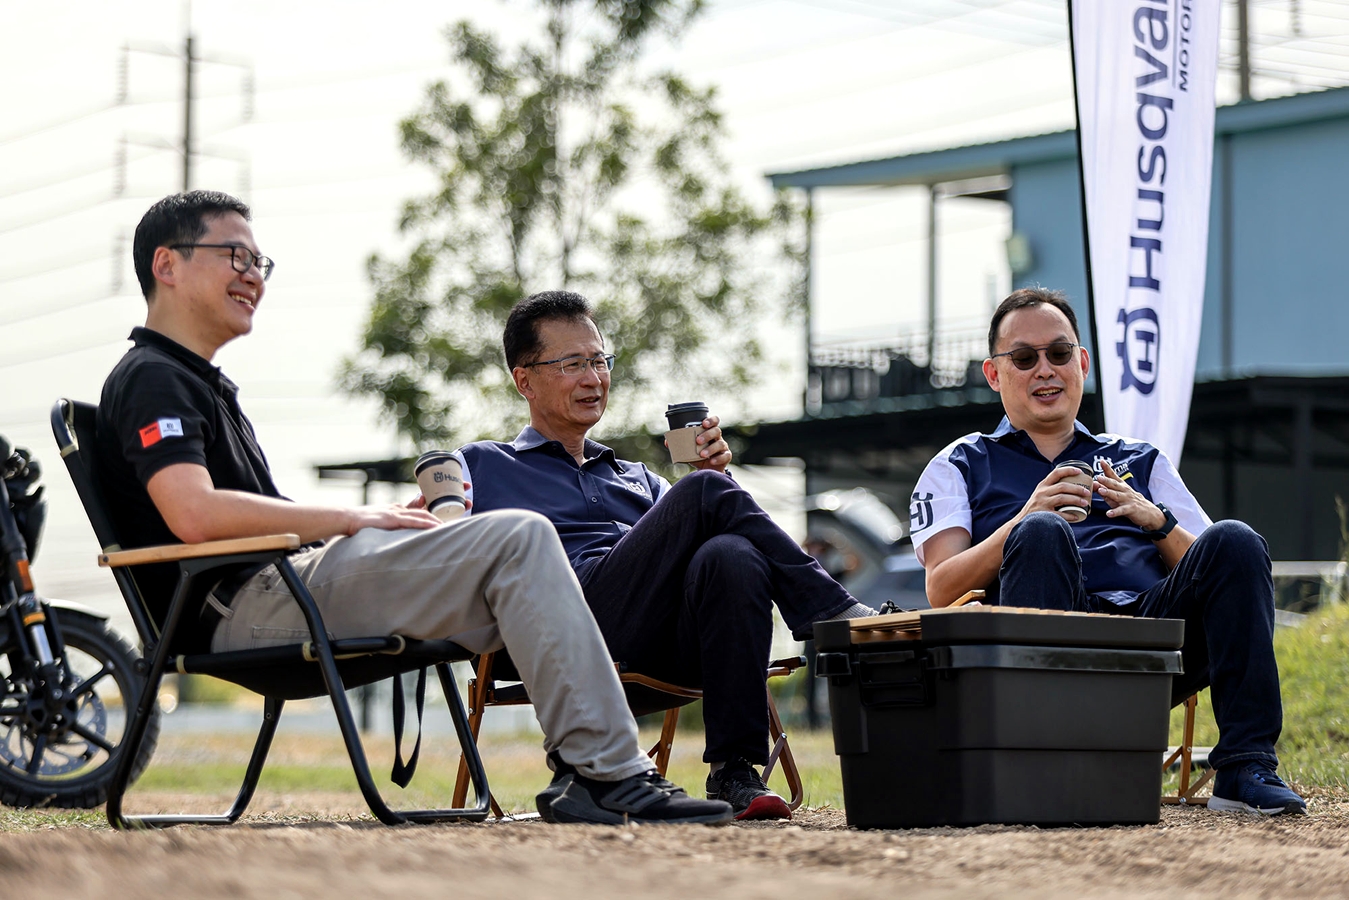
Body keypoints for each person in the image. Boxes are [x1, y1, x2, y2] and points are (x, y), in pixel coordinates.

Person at [95, 191, 733, 827]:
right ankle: (609, 772)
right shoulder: (155, 376)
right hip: (247, 606)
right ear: (167, 264)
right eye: (234, 256)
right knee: (521, 537)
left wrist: (405, 532)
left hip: (284, 585)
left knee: (512, 555)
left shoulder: (199, 383)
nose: (252, 275)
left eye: (259, 262)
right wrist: (353, 520)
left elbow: (237, 516)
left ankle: (588, 770)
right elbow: (195, 514)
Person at [456, 290, 877, 821]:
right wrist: (707, 488)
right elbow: (437, 540)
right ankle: (832, 614)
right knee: (701, 492)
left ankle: (734, 772)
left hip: (659, 640)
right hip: (553, 629)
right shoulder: (482, 465)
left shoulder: (638, 478)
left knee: (731, 552)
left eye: (599, 361)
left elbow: (707, 552)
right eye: (572, 364)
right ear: (525, 381)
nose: (593, 378)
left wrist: (718, 478)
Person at [909, 286, 1305, 816]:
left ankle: (1244, 767)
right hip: (1048, 637)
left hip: (1153, 639)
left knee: (1237, 538)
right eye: (1024, 358)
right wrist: (1022, 519)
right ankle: (1043, 767)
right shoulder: (960, 463)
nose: (1045, 370)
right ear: (994, 374)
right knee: (1042, 532)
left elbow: (1221, 567)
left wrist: (1158, 521)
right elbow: (941, 589)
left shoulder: (1140, 459)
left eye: (1059, 353)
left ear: (1083, 363)